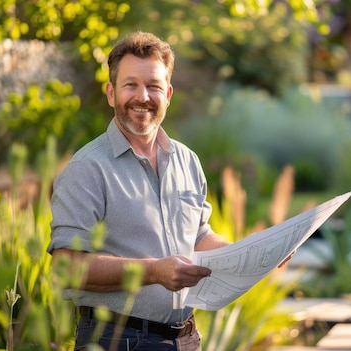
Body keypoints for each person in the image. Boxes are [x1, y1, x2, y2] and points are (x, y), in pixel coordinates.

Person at [47, 31, 233, 351]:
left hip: (186, 338)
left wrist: (252, 253)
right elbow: (66, 267)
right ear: (110, 93)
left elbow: (200, 236)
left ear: (169, 93)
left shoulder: (187, 161)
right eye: (130, 84)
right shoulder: (87, 169)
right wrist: (153, 271)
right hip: (118, 339)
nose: (143, 96)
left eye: (154, 86)